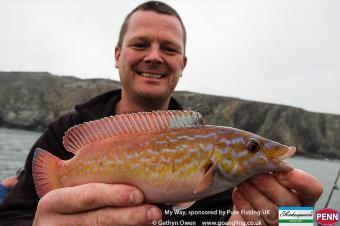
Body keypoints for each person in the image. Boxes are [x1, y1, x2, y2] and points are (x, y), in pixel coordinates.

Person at [0, 1, 323, 225]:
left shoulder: (228, 180)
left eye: (169, 48)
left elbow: (307, 220)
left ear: (182, 63)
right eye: (141, 44)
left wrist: (297, 219)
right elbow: (13, 215)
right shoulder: (65, 131)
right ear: (118, 55)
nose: (154, 57)